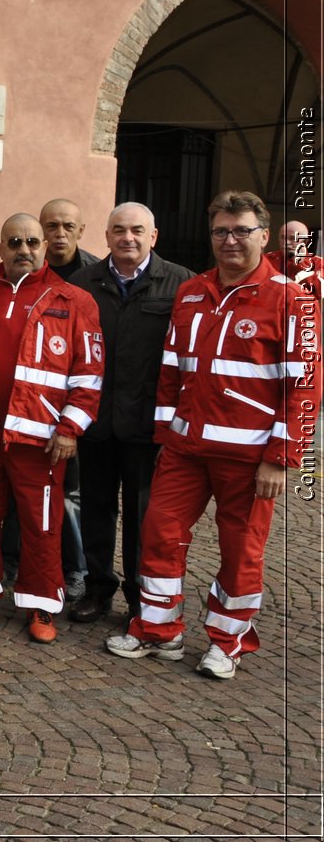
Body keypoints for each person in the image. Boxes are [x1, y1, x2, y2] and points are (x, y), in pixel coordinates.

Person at [106, 191, 317, 680]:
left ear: (264, 235)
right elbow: (171, 371)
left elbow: (304, 389)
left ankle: (228, 641)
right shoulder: (193, 291)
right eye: (221, 231)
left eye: (242, 231)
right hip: (185, 450)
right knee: (159, 534)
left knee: (241, 551)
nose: (230, 240)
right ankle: (159, 631)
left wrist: (281, 458)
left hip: (249, 457)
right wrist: (164, 436)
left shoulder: (293, 301)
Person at [0, 214, 103, 643]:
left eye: (31, 241)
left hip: (40, 439)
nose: (23, 249)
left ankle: (41, 605)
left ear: (44, 246)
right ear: (0, 247)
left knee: (41, 523)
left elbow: (89, 375)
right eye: (14, 242)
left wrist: (69, 429)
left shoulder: (73, 299)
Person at [68, 203, 192, 623]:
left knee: (145, 516)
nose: (128, 238)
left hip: (147, 424)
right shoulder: (83, 283)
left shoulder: (180, 284)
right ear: (105, 236)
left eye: (137, 230)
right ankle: (98, 589)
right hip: (96, 421)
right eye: (119, 230)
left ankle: (142, 597)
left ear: (153, 237)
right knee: (97, 508)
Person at [32, 196, 97, 599]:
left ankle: (77, 568)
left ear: (80, 231)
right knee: (22, 491)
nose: (58, 234)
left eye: (67, 227)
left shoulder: (93, 276)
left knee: (70, 494)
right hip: (27, 406)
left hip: (73, 407)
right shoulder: (27, 269)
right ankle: (20, 561)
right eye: (51, 226)